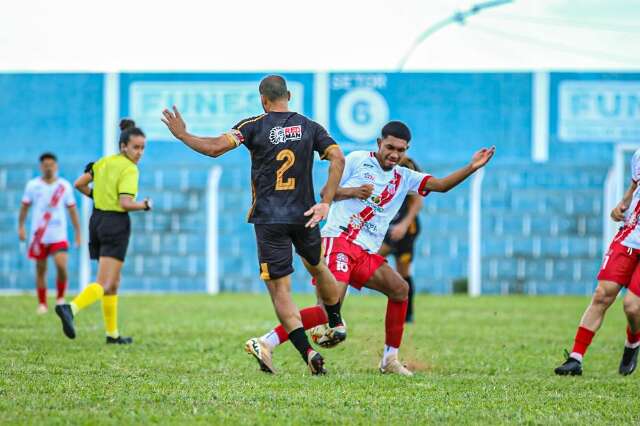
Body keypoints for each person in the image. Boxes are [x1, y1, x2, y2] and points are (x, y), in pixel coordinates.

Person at [247, 121, 495, 376]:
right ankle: (266, 342)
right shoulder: (357, 160)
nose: (394, 154)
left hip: (365, 253)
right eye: (390, 147)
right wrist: (354, 191)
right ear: (379, 143)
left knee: (400, 290)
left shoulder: (405, 177)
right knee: (326, 312)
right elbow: (326, 192)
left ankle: (390, 359)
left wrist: (472, 167)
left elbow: (441, 185)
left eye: (401, 149)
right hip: (339, 242)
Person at [161, 75, 346, 375]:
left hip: (270, 219)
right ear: (288, 95)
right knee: (319, 266)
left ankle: (308, 352)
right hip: (305, 214)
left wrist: (183, 135)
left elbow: (214, 148)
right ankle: (336, 321)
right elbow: (338, 158)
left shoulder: (252, 125)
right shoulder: (310, 127)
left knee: (281, 291)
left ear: (263, 99)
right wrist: (326, 200)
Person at [55, 119, 152, 344]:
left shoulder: (103, 162)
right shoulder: (129, 169)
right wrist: (144, 205)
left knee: (113, 282)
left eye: (143, 147)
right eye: (136, 147)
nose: (139, 152)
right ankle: (70, 307)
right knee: (106, 282)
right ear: (123, 146)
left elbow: (79, 183)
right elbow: (126, 202)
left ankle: (112, 334)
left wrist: (97, 196)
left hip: (97, 220)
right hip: (116, 223)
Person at [555, 148, 640, 376]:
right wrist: (620, 207)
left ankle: (633, 341)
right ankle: (575, 358)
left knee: (632, 306)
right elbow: (634, 187)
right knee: (602, 294)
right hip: (630, 235)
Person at [18, 153, 81, 314]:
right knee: (41, 269)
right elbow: (25, 207)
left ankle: (60, 298)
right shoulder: (32, 186)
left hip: (58, 235)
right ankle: (42, 303)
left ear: (56, 166)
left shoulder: (64, 186)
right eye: (45, 164)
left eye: (51, 164)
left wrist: (78, 232)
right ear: (41, 167)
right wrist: (21, 227)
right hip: (39, 236)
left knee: (61, 265)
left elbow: (72, 210)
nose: (48, 167)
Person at [378, 156, 424, 323]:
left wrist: (404, 225)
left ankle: (408, 314)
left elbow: (418, 201)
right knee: (370, 260)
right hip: (390, 229)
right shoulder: (378, 165)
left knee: (402, 271)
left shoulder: (407, 166)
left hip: (406, 231)